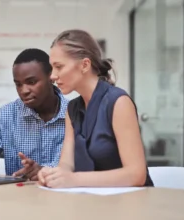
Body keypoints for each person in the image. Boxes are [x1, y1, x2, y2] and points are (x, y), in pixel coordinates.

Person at [38, 29, 154, 188]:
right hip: (92, 203)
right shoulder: (71, 109)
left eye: (59, 67)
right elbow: (66, 164)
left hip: (131, 205)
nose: (52, 76)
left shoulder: (118, 102)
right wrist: (54, 175)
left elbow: (136, 175)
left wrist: (74, 180)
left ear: (85, 65)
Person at [0, 48, 69, 180]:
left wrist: (43, 171)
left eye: (32, 82)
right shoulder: (5, 116)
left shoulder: (76, 114)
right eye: (18, 84)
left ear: (51, 77)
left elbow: (82, 165)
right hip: (18, 198)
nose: (24, 91)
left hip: (65, 197)